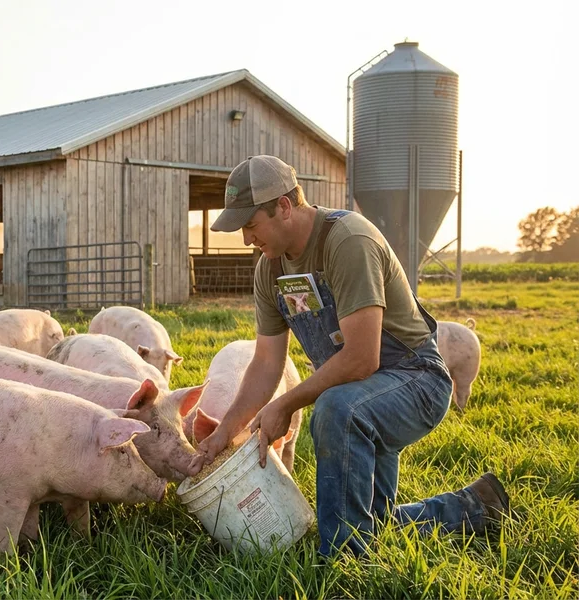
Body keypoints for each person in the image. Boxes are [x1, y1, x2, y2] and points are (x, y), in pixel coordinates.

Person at [198, 155, 509, 557]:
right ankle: (476, 507)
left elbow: (362, 358)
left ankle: (342, 563)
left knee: (334, 410)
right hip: (362, 392)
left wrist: (287, 404)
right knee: (368, 524)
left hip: (416, 379)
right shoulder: (269, 272)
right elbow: (265, 364)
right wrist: (224, 433)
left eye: (251, 225)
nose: (245, 239)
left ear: (285, 207)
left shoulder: (347, 241)